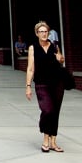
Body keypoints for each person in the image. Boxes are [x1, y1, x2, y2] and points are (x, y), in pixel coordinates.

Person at [25, 20, 66, 152]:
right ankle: (45, 137)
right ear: (37, 33)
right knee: (47, 110)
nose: (44, 34)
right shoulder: (33, 48)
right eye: (41, 31)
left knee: (55, 112)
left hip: (57, 83)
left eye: (46, 31)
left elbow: (61, 59)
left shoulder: (54, 46)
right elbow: (30, 68)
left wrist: (61, 59)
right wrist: (28, 86)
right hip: (42, 84)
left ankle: (53, 141)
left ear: (48, 33)